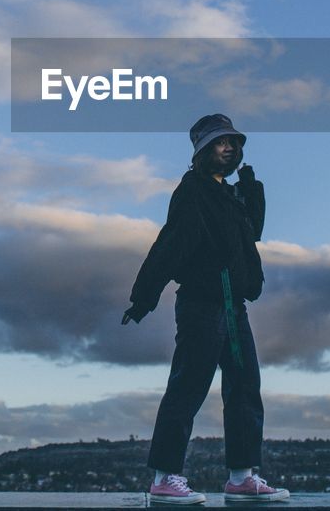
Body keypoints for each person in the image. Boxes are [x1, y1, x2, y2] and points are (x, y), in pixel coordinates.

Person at [122, 114, 291, 504]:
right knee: (188, 386)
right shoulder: (192, 191)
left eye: (233, 142)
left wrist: (250, 189)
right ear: (202, 151)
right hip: (201, 304)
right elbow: (170, 245)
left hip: (234, 306)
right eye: (220, 142)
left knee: (245, 386)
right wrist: (143, 297)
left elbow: (252, 233)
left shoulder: (229, 195)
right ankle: (165, 479)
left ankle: (241, 477)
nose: (229, 147)